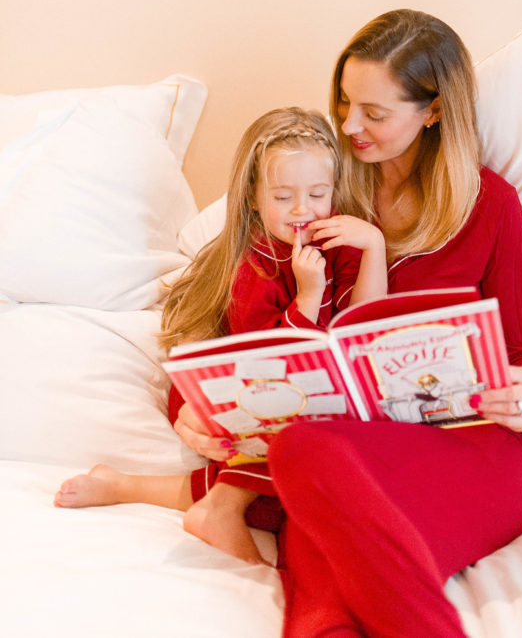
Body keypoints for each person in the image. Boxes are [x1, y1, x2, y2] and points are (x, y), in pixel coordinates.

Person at [172, 9, 522, 637]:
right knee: (307, 459)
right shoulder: (314, 189)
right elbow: (232, 317)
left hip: (472, 450)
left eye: (374, 114)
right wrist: (196, 410)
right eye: (345, 103)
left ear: (433, 112)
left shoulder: (490, 205)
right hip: (342, 453)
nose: (349, 126)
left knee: (315, 489)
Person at [54, 106, 387, 564]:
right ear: (252, 198)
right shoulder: (254, 267)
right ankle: (219, 510)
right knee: (288, 436)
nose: (301, 210)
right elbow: (268, 363)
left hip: (283, 397)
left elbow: (367, 328)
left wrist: (374, 247)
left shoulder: (333, 244)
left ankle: (125, 485)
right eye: (283, 196)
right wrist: (307, 299)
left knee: (281, 501)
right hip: (222, 391)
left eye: (316, 193)